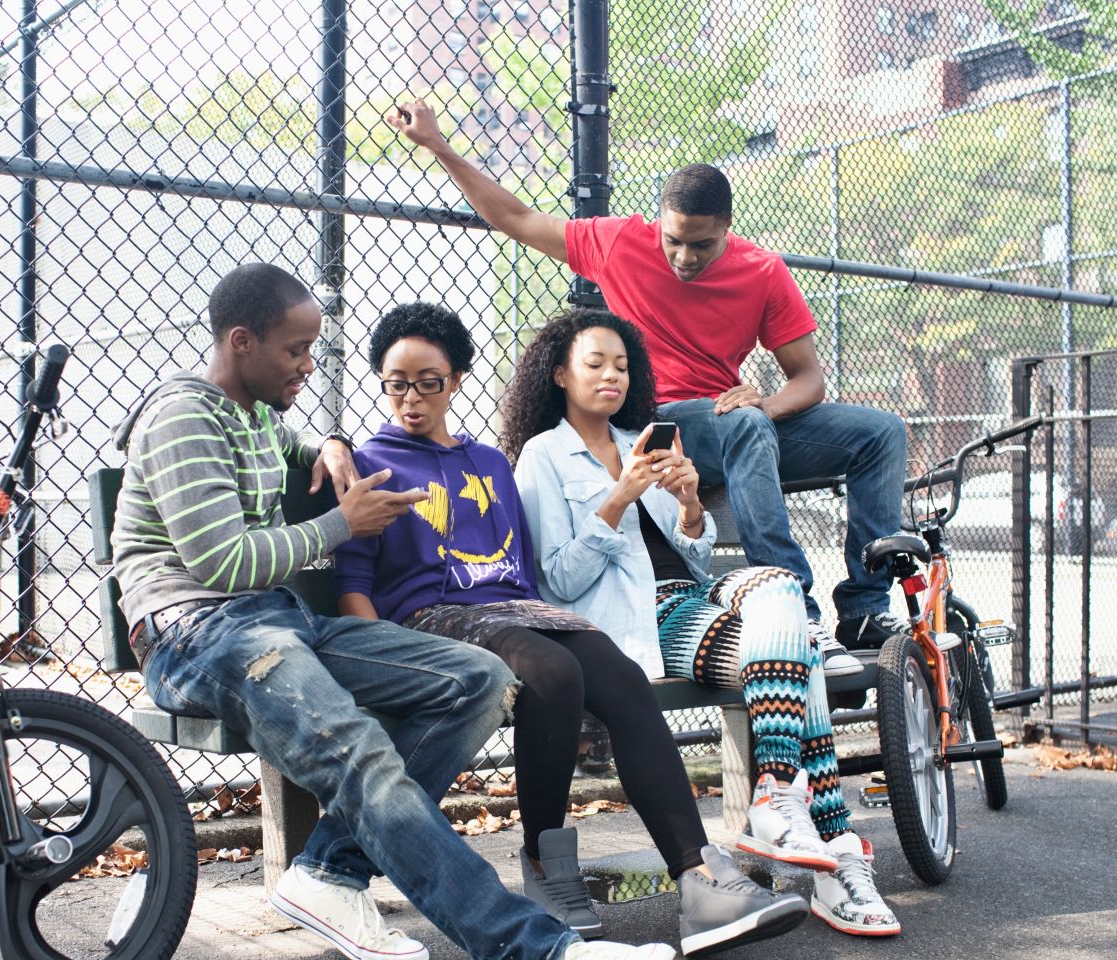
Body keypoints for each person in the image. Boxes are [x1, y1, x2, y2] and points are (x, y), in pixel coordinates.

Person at [111, 264, 674, 960]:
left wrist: (334, 444)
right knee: (361, 750)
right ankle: (539, 948)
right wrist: (341, 524)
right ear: (241, 342)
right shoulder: (185, 417)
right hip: (196, 635)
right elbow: (223, 566)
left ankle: (326, 872)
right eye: (296, 351)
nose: (308, 367)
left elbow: (311, 449)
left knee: (478, 680)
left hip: (275, 623)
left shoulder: (254, 415)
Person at [333, 302, 808, 957]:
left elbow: (526, 575)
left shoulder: (489, 464)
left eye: (429, 382)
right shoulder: (369, 463)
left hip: (511, 610)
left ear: (458, 380)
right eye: (396, 383)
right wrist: (385, 654)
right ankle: (546, 867)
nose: (411, 398)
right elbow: (354, 582)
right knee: (554, 673)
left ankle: (700, 881)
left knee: (613, 670)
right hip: (427, 622)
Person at [389, 98, 910, 662]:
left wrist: (766, 403)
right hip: (665, 421)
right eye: (673, 240)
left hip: (738, 424)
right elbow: (517, 219)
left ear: (727, 230)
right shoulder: (621, 242)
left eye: (701, 245)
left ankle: (862, 609)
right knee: (748, 428)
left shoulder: (762, 271)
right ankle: (797, 610)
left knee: (880, 432)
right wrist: (439, 147)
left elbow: (808, 379)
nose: (684, 256)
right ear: (659, 222)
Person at [503, 310, 901, 937]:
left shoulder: (643, 438)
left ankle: (774, 787)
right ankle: (838, 857)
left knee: (779, 586)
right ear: (559, 375)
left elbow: (689, 555)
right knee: (804, 654)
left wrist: (688, 505)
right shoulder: (542, 456)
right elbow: (557, 580)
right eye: (595, 364)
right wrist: (618, 498)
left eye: (622, 365)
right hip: (635, 620)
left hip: (694, 594)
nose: (612, 375)